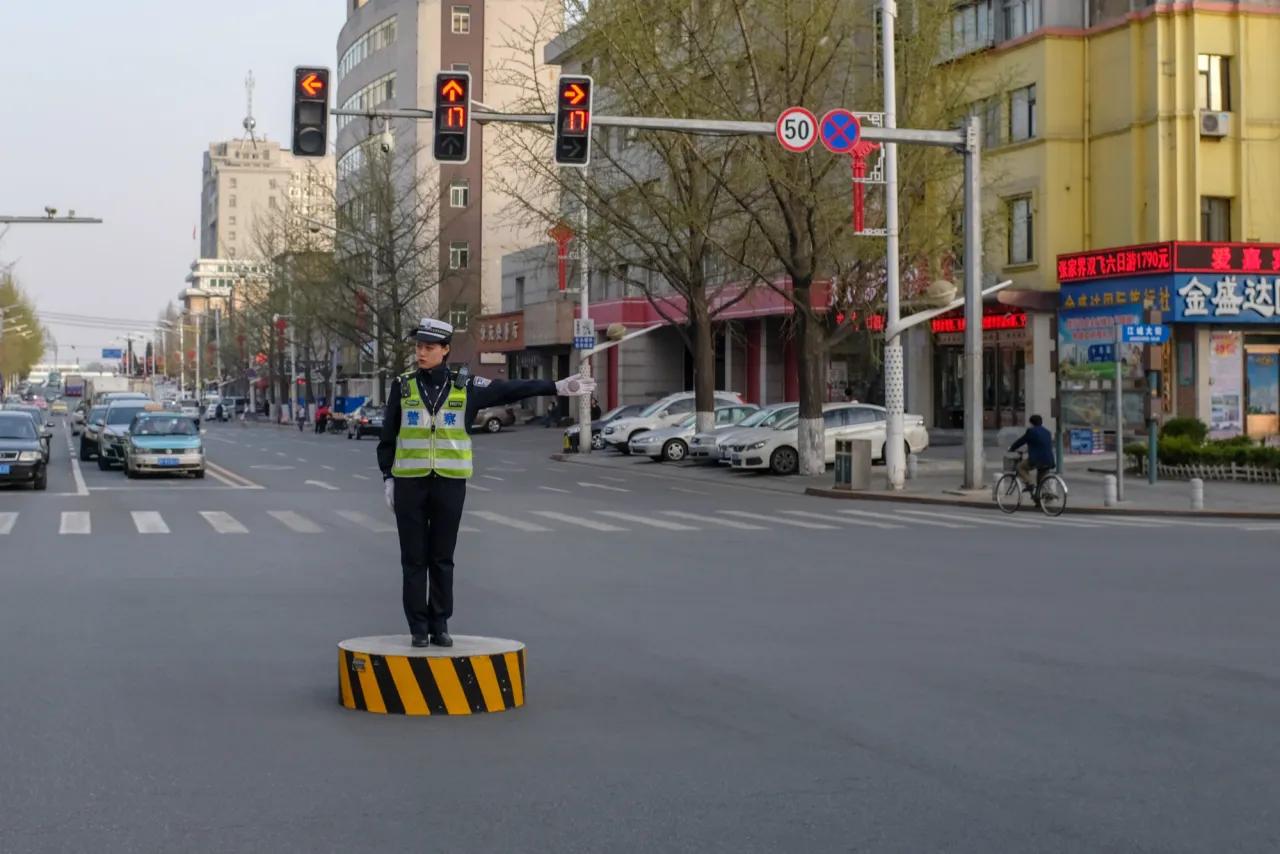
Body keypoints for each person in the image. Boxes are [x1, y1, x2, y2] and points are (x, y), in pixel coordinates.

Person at [378, 318, 595, 648]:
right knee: (413, 559)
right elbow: (388, 436)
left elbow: (507, 388)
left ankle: (440, 624)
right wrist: (388, 477)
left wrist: (557, 387)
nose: (421, 353)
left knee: (442, 557)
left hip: (450, 484)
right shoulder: (403, 385)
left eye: (429, 348)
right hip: (410, 484)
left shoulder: (465, 386)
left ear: (445, 350)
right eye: (419, 347)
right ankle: (418, 628)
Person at [1009, 414, 1056, 496]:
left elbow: (1021, 441)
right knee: (1040, 481)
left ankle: (1029, 483)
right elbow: (1040, 444)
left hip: (1037, 460)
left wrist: (1012, 448)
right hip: (1049, 460)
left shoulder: (1031, 431)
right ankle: (1039, 500)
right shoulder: (1047, 432)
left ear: (1031, 423)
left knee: (1020, 467)